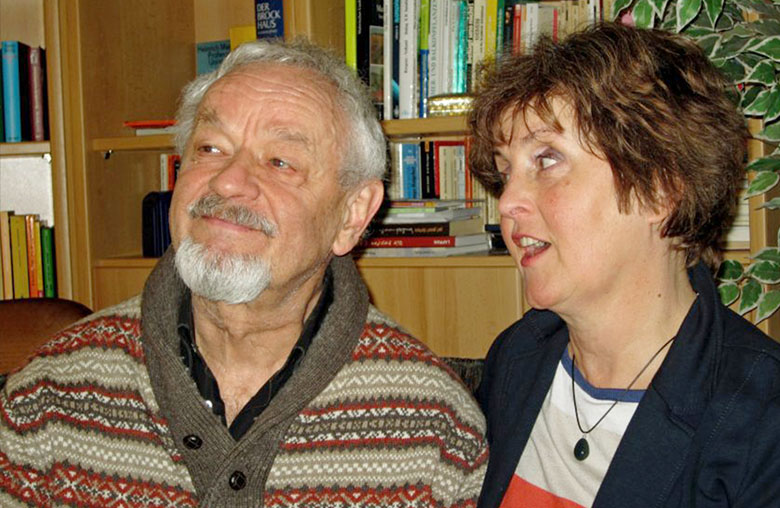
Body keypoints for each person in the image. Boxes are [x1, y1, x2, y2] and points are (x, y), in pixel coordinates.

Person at [0, 39, 487, 507]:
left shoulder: (433, 430)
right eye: (210, 148)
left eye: (280, 161)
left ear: (352, 215)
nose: (228, 181)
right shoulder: (48, 398)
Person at [468, 22, 780, 508]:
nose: (506, 202)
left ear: (661, 190)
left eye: (546, 160)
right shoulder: (518, 357)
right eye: (506, 172)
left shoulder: (762, 422)